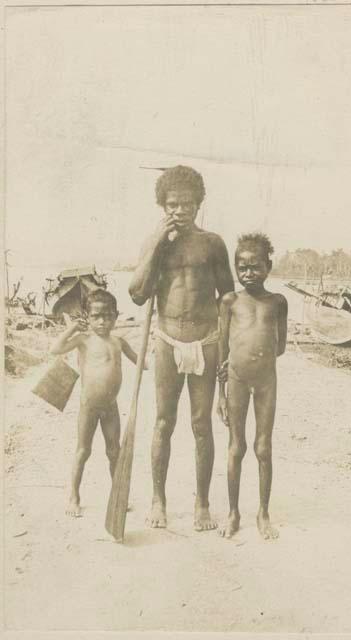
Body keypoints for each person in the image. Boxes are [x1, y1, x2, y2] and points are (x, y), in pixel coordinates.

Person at [129, 165, 234, 531]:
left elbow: (228, 299)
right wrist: (158, 245)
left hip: (206, 341)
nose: (179, 210)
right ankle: (158, 499)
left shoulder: (213, 244)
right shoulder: (153, 243)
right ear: (162, 205)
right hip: (168, 340)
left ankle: (202, 504)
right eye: (172, 204)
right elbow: (138, 294)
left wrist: (228, 350)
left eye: (187, 204)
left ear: (198, 203)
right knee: (163, 422)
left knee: (201, 424)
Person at [217, 233, 288, 540]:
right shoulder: (230, 301)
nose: (248, 273)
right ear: (236, 269)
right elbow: (222, 350)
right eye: (242, 267)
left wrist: (259, 359)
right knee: (236, 446)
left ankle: (263, 513)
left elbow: (280, 345)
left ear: (268, 267)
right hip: (236, 379)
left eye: (255, 267)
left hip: (266, 382)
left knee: (263, 447)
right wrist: (220, 395)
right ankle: (233, 513)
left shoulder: (278, 302)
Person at [50, 289, 139, 517]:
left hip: (111, 406)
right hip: (89, 406)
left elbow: (141, 363)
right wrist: (72, 328)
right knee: (83, 451)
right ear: (87, 317)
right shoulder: (83, 340)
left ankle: (117, 494)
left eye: (107, 316)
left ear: (116, 316)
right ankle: (74, 497)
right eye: (96, 316)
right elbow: (55, 349)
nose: (102, 321)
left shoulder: (118, 342)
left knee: (114, 451)